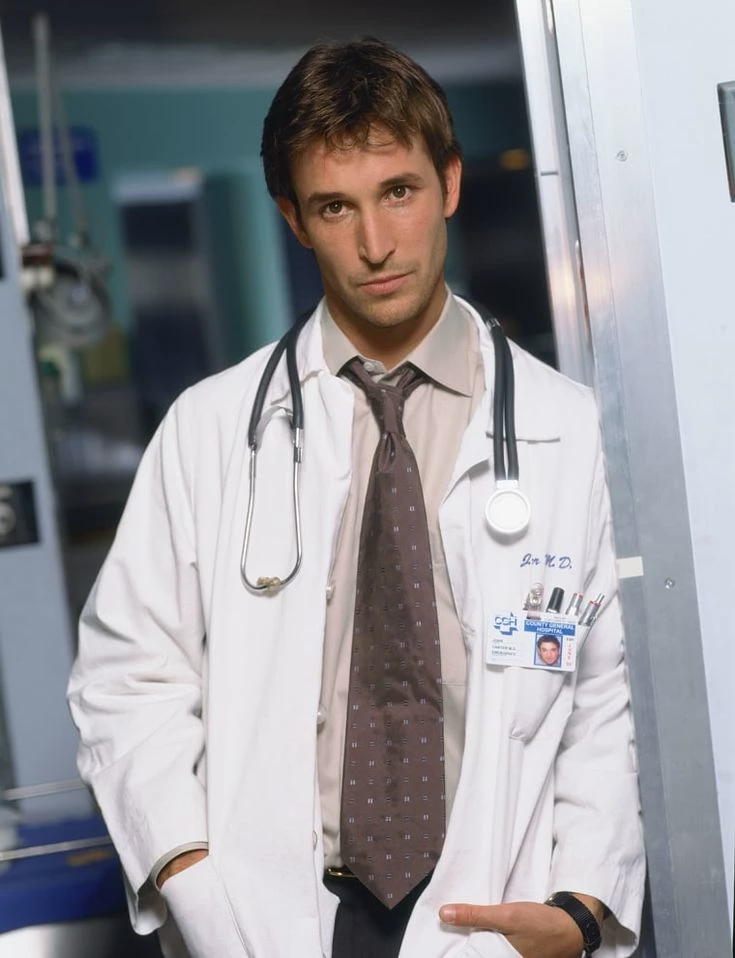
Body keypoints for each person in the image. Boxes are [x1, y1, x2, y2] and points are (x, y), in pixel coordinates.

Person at [67, 37, 645, 958]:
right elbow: (127, 677)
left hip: (494, 911)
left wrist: (577, 910)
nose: (375, 244)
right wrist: (189, 874)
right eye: (335, 207)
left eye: (398, 192)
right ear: (294, 220)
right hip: (270, 920)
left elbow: (606, 698)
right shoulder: (209, 429)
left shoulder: (566, 431)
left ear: (448, 183)